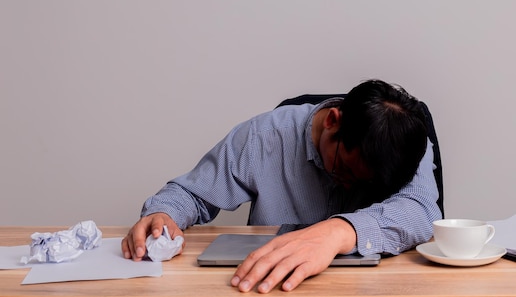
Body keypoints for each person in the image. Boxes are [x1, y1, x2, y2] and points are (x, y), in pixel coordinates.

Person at [122, 79, 441, 293]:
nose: (350, 185)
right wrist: (164, 213)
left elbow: (422, 211)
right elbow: (192, 193)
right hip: (269, 288)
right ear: (332, 121)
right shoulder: (263, 136)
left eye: (368, 184)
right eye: (344, 168)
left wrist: (338, 232)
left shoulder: (408, 146)